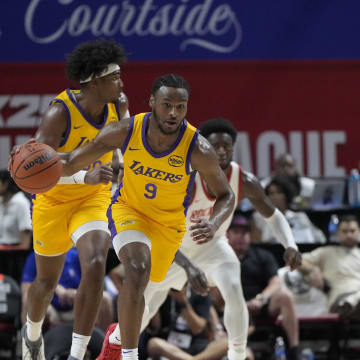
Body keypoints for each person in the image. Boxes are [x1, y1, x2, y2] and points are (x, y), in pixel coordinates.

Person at [52, 74, 236, 360]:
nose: (173, 113)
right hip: (129, 210)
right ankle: (129, 355)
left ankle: (114, 341)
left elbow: (227, 195)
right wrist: (40, 161)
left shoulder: (197, 148)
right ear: (152, 102)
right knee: (136, 269)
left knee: (147, 287)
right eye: (166, 105)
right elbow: (73, 160)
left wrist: (213, 223)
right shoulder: (125, 130)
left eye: (180, 106)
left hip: (169, 224)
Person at [131, 117, 302, 360]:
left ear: (233, 147)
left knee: (233, 287)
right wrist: (189, 268)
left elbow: (273, 216)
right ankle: (117, 349)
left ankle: (237, 354)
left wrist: (291, 245)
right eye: (215, 146)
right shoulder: (185, 179)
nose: (221, 151)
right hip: (173, 248)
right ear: (204, 147)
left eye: (227, 146)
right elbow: (160, 231)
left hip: (213, 247)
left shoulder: (243, 180)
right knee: (144, 306)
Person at [12, 39, 129, 360]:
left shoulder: (118, 104)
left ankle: (77, 354)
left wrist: (117, 162)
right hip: (52, 200)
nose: (121, 82)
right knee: (46, 284)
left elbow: (125, 139)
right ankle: (32, 333)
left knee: (94, 265)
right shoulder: (58, 114)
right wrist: (82, 175)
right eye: (114, 77)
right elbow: (38, 170)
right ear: (94, 80)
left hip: (92, 199)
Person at [227, 214, 301, 360]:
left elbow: (276, 281)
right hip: (229, 307)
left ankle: (294, 351)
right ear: (227, 235)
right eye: (236, 232)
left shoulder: (262, 255)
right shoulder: (221, 257)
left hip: (259, 305)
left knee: (285, 295)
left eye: (245, 233)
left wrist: (261, 299)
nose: (241, 237)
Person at [21, 248, 115, 332]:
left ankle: (102, 346)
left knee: (105, 298)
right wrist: (55, 289)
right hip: (49, 307)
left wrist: (76, 294)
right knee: (28, 299)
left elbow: (95, 287)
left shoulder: (76, 255)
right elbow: (26, 290)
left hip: (77, 305)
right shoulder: (35, 257)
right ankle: (30, 345)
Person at [298, 215, 360, 320]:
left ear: (358, 232)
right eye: (344, 231)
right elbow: (297, 260)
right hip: (340, 300)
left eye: (352, 231)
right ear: (338, 233)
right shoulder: (326, 252)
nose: (349, 234)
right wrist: (312, 270)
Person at [251, 177, 326, 244]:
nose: (274, 197)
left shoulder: (300, 217)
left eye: (279, 192)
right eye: (271, 193)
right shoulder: (258, 217)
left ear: (286, 195)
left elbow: (320, 238)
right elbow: (256, 244)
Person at [0, 169, 32, 248]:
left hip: (14, 254)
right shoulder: (1, 201)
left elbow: (25, 244)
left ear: (5, 183)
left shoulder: (21, 203)